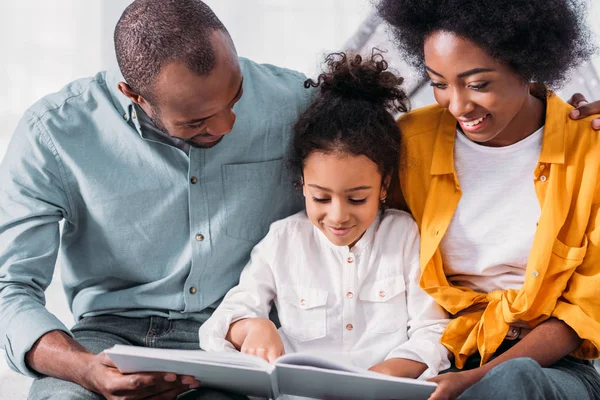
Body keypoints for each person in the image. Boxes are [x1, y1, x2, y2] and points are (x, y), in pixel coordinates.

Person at [0, 1, 311, 399]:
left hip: (232, 338)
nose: (226, 124)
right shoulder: (53, 134)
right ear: (134, 95)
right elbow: (11, 288)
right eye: (196, 122)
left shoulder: (297, 103)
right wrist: (85, 369)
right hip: (107, 339)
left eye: (236, 97)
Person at [376, 0, 600, 399]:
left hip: (551, 365)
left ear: (528, 65)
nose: (458, 106)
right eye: (439, 84)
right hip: (437, 348)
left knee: (513, 383)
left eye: (478, 84)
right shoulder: (410, 142)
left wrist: (472, 381)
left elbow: (580, 314)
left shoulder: (591, 153)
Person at [199, 51, 450, 380]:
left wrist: (381, 377)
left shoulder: (404, 236)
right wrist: (252, 327)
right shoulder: (284, 240)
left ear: (384, 184)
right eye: (320, 197)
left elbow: (432, 330)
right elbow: (218, 325)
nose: (338, 215)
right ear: (302, 184)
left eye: (357, 198)